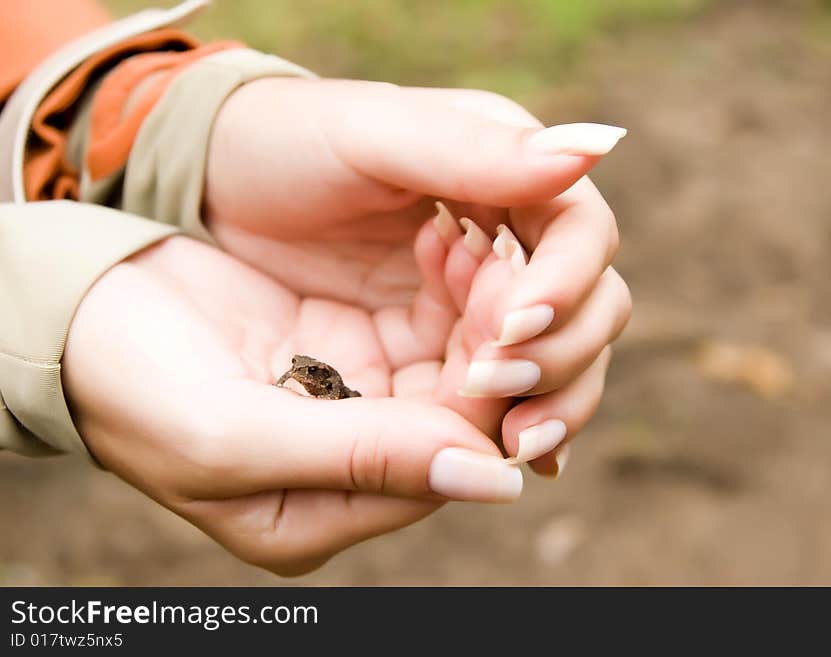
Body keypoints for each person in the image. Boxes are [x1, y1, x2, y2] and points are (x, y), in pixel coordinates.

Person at [0, 0, 631, 576]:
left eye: (306, 373)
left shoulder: (329, 383)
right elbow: (300, 378)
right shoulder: (304, 375)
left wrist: (166, 129)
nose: (300, 373)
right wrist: (36, 304)